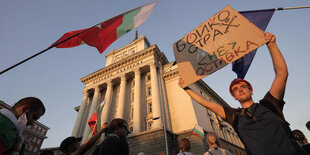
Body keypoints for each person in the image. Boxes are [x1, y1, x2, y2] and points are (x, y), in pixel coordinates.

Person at [179, 32, 307, 155]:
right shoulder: (233, 116)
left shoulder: (270, 103)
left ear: (251, 90)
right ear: (234, 97)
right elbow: (205, 103)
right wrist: (186, 88)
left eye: (243, 86)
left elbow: (282, 74)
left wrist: (271, 45)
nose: (240, 89)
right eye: (235, 89)